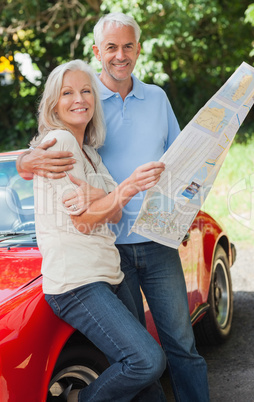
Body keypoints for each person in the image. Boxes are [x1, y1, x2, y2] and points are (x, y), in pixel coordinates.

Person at [17, 13, 210, 402]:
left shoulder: (149, 103)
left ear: (138, 50)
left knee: (180, 345)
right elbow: (47, 155)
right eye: (111, 47)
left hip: (155, 241)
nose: (120, 55)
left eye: (127, 46)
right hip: (109, 255)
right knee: (141, 359)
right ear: (97, 52)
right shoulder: (82, 101)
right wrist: (25, 162)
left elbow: (181, 163)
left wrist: (181, 212)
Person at [32, 59, 167, 402]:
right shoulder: (59, 142)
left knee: (147, 386)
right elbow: (85, 219)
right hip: (77, 282)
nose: (79, 99)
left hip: (108, 274)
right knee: (146, 361)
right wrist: (126, 188)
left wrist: (107, 198)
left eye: (86, 90)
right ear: (54, 105)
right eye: (67, 93)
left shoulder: (90, 152)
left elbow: (112, 212)